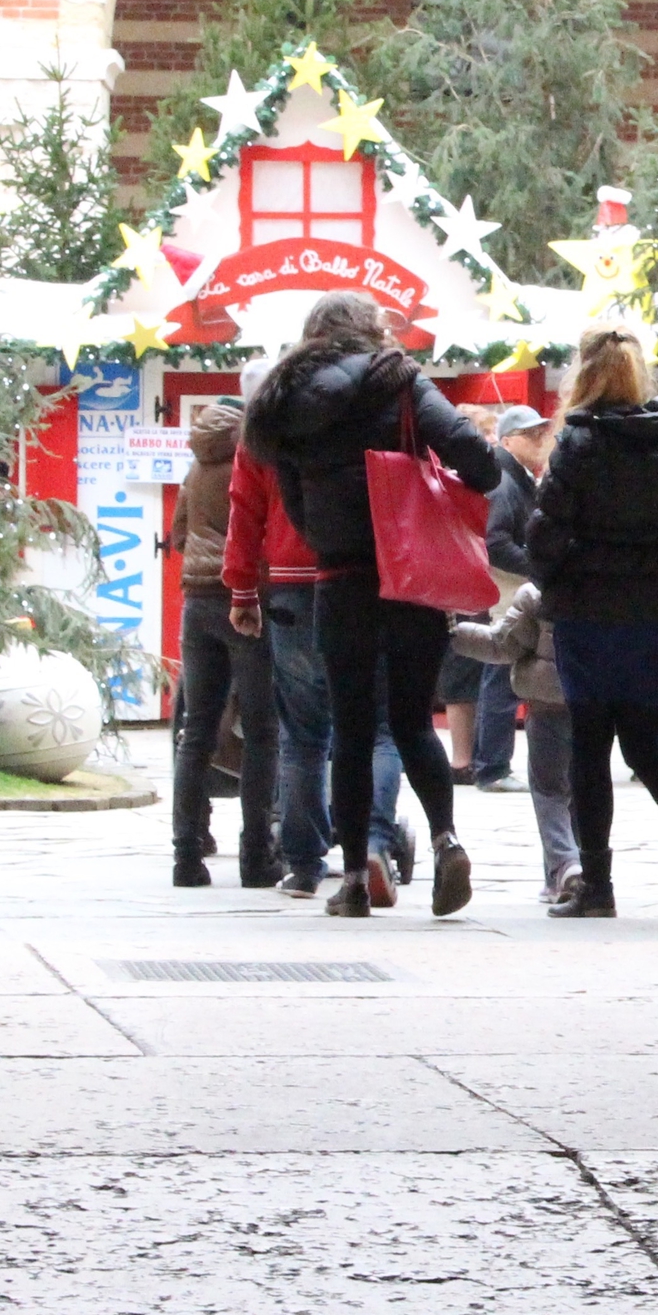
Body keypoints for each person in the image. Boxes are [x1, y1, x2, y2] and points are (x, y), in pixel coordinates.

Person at [244, 290, 498, 918]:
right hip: (410, 573)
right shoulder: (399, 380)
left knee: (350, 732)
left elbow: (294, 502)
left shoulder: (284, 398)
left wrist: (331, 535)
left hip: (339, 578)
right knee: (412, 721)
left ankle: (354, 878)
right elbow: (480, 463)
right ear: (370, 330)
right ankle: (445, 841)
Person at [525, 326, 658, 921]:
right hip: (654, 615)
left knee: (589, 745)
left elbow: (544, 539)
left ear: (583, 376)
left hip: (588, 615)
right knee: (645, 743)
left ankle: (598, 885)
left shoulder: (578, 443)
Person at [225, 379, 415, 903]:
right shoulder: (373, 408)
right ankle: (374, 843)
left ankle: (304, 865)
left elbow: (244, 508)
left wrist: (242, 589)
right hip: (364, 576)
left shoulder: (268, 419)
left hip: (290, 584)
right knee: (377, 726)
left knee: (303, 733)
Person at [170, 397, 279, 888]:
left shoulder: (195, 467)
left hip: (196, 604)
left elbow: (177, 537)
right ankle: (256, 856)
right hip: (244, 600)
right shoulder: (253, 460)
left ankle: (186, 856)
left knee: (197, 731)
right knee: (260, 732)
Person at [450, 581, 579, 904]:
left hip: (547, 703)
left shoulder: (536, 595)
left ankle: (565, 863)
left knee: (549, 789)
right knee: (585, 788)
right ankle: (573, 869)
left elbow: (501, 645)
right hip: (595, 706)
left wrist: (454, 632)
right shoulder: (610, 590)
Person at [470, 403, 556, 795]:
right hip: (508, 590)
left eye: (542, 432)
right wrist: (535, 568)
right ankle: (492, 766)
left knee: (503, 670)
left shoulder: (515, 476)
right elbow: (495, 542)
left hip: (511, 587)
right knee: (501, 672)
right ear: (507, 440)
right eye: (531, 434)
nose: (541, 439)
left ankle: (492, 763)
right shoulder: (506, 480)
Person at [437, 403, 502, 785]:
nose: (492, 442)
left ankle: (471, 755)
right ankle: (461, 759)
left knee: (475, 667)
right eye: (486, 434)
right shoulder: (456, 481)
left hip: (472, 580)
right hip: (461, 582)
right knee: (462, 668)